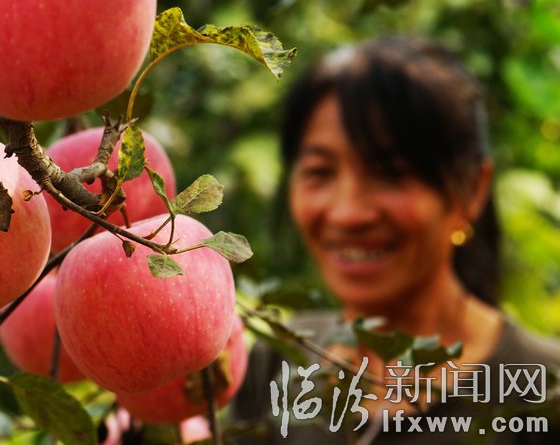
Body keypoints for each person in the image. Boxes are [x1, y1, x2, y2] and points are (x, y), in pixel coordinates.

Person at [231, 36, 560, 443]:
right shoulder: (276, 366)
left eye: (390, 173)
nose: (347, 212)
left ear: (472, 190)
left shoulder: (544, 395)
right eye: (319, 171)